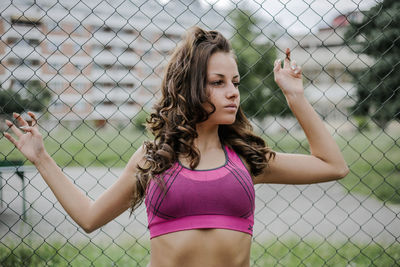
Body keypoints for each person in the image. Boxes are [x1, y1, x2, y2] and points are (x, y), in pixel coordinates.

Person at [3, 26, 349, 267]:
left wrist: (295, 95)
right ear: (189, 88)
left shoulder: (245, 157)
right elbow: (90, 218)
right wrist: (41, 157)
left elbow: (333, 166)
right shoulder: (154, 158)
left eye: (235, 82)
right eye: (218, 82)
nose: (233, 92)